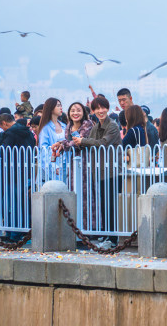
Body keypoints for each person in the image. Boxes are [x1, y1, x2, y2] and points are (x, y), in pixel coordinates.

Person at [73, 95, 122, 247]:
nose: (101, 111)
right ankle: (107, 233)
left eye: (103, 107)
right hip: (99, 172)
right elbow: (90, 143)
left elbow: (102, 143)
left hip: (113, 172)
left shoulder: (112, 125)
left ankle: (112, 238)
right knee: (104, 204)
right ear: (93, 111)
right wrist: (79, 143)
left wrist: (83, 141)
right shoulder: (95, 127)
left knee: (111, 205)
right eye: (97, 108)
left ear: (108, 108)